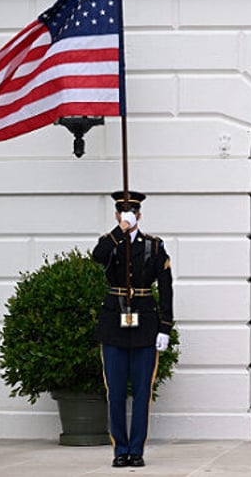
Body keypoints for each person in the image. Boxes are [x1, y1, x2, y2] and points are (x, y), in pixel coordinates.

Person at [92, 190, 174, 468]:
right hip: (114, 324)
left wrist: (165, 327)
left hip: (145, 325)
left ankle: (136, 449)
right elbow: (96, 256)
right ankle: (120, 449)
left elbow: (166, 288)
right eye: (123, 212)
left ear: (140, 214)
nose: (128, 216)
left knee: (142, 391)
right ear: (117, 214)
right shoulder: (111, 242)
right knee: (114, 390)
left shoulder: (154, 246)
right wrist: (120, 230)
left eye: (132, 213)